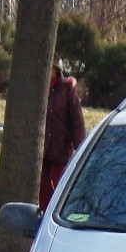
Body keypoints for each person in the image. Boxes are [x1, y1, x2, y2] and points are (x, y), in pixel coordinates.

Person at [40, 62, 86, 211]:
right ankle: (45, 213)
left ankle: (62, 212)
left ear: (55, 70)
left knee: (61, 183)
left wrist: (80, 147)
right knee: (43, 185)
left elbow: (77, 120)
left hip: (61, 147)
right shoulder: (39, 88)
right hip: (42, 148)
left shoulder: (67, 89)